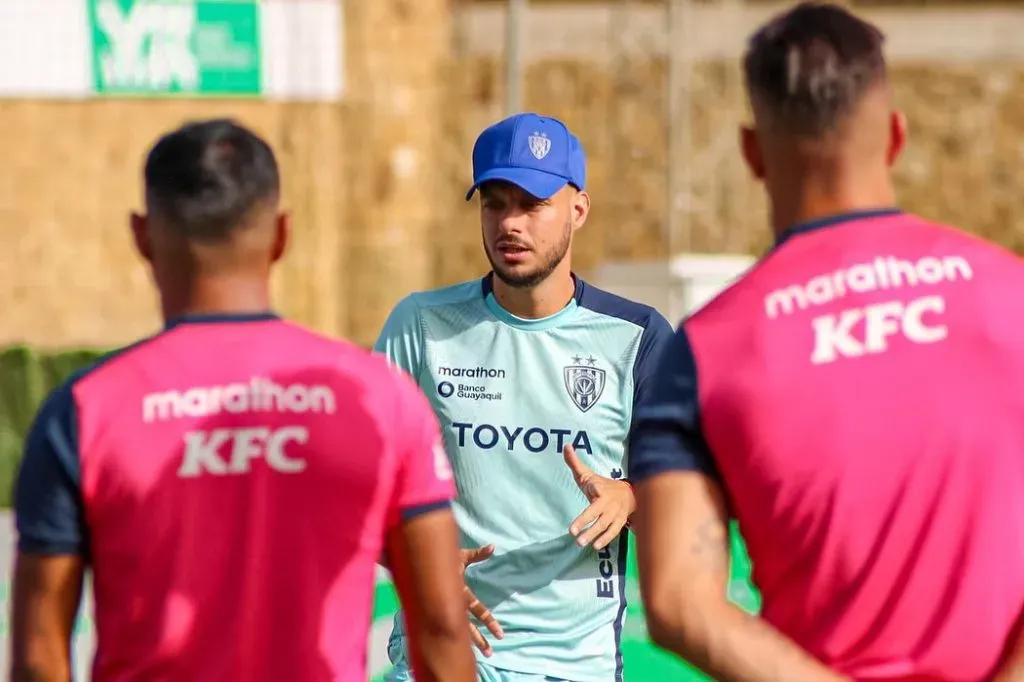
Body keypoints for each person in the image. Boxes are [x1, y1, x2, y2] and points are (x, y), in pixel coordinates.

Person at [628, 2, 1024, 681]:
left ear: (753, 153)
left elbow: (677, 599)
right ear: (896, 137)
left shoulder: (703, 353)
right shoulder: (1009, 293)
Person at [10, 119, 476, 682]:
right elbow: (441, 627)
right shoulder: (384, 401)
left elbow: (38, 654)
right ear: (281, 235)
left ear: (141, 236)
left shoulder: (82, 411)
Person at [374, 111, 673, 682]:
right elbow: (353, 488)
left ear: (578, 210)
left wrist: (631, 497)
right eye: (494, 203)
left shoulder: (639, 339)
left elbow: (695, 499)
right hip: (439, 656)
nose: (511, 223)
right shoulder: (420, 326)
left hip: (571, 665)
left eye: (533, 205)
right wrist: (417, 566)